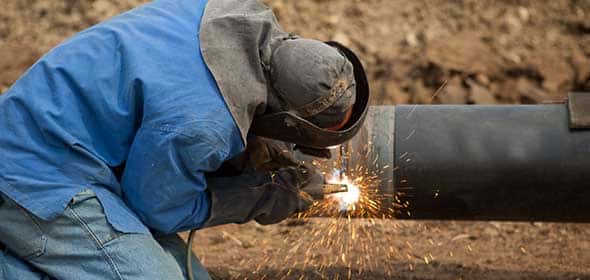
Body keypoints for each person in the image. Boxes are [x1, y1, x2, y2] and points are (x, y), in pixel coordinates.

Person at [0, 0, 369, 279]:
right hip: (36, 177)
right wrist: (264, 194)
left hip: (66, 141)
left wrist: (248, 147)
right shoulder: (203, 124)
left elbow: (176, 90)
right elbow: (158, 208)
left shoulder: (229, 12)